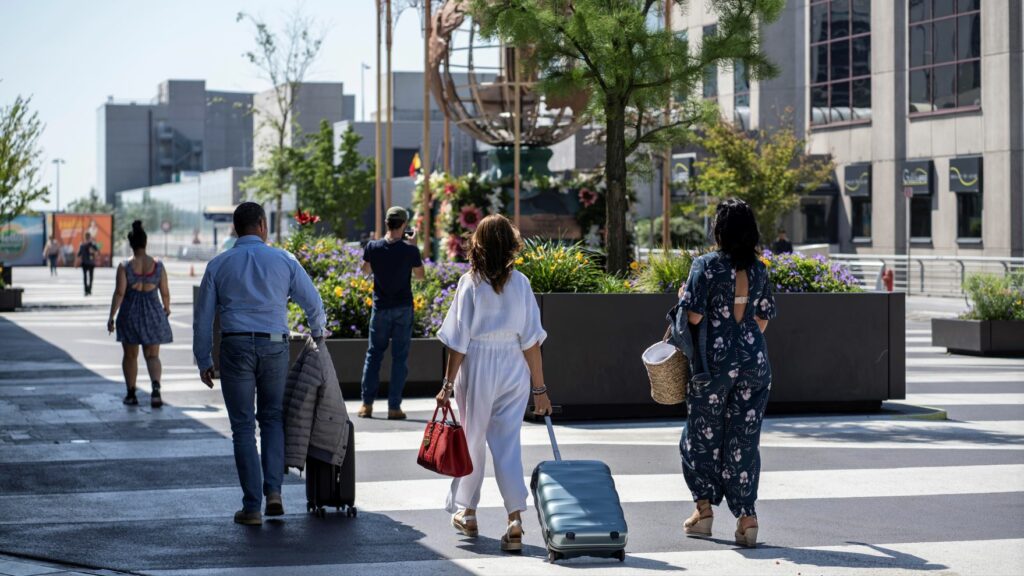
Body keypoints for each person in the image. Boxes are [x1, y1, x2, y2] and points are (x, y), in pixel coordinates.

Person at [193, 202, 327, 526]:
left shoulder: (218, 265)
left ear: (236, 229)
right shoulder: (284, 260)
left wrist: (204, 360)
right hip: (274, 345)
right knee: (272, 419)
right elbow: (313, 301)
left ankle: (252, 506)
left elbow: (203, 319)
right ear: (263, 226)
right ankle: (275, 493)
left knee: (242, 427)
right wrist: (318, 333)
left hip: (235, 345)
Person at [435, 214, 552, 553]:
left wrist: (446, 384)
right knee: (508, 443)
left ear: (479, 244)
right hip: (514, 366)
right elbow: (532, 342)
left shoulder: (470, 283)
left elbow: (457, 342)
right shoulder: (522, 284)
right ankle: (514, 518)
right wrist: (540, 389)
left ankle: (468, 512)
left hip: (478, 363)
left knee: (472, 438)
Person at [676, 199, 776, 548]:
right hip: (754, 365)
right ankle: (747, 519)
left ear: (720, 229)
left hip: (713, 369)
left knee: (700, 438)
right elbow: (761, 319)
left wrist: (682, 298)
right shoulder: (760, 270)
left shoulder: (705, 266)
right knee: (743, 441)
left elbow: (693, 318)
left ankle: (703, 513)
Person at [357, 206, 425, 420]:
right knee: (399, 358)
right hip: (403, 308)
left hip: (380, 308)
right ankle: (394, 407)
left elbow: (365, 271)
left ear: (386, 223)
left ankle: (366, 405)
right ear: (404, 225)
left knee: (373, 355)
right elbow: (421, 276)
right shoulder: (410, 250)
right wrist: (414, 246)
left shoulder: (373, 247)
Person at [107, 221, 172, 408]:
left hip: (130, 314)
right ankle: (156, 390)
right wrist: (166, 308)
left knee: (130, 356)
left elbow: (119, 293)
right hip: (153, 313)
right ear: (146, 242)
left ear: (131, 244)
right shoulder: (158, 265)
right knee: (152, 355)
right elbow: (165, 292)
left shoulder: (125, 266)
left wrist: (111, 316)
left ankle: (131, 394)